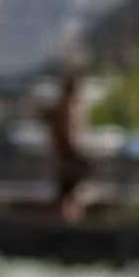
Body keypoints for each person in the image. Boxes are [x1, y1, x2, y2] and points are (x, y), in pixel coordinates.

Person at [46, 67, 92, 218]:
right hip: (66, 157)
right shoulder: (67, 108)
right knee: (67, 195)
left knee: (70, 195)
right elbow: (69, 135)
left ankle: (68, 218)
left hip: (67, 157)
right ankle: (66, 218)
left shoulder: (70, 108)